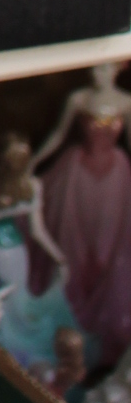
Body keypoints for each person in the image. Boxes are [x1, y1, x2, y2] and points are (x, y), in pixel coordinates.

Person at [0, 133, 75, 372]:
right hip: (14, 253)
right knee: (3, 304)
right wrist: (59, 258)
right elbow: (37, 232)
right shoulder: (29, 188)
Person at [36, 70, 131, 363]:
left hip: (115, 178)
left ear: (117, 68)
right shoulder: (78, 98)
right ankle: (67, 321)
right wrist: (33, 162)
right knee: (71, 241)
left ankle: (99, 328)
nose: (98, 72)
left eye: (105, 66)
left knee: (107, 249)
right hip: (76, 175)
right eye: (95, 66)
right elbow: (58, 134)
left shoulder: (127, 102)